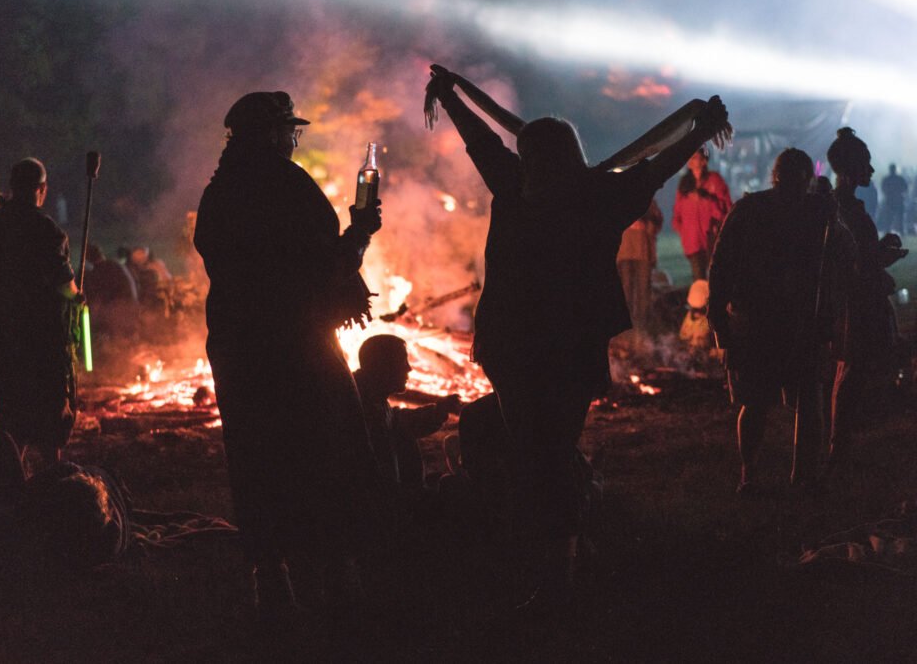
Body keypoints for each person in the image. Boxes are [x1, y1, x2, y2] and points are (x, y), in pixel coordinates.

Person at [424, 63, 730, 601]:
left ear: (529, 157)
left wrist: (449, 95)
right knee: (554, 448)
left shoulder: (514, 190)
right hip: (570, 346)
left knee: (533, 450)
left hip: (515, 346)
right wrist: (701, 131)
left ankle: (540, 559)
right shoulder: (600, 197)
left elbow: (480, 140)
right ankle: (557, 558)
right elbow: (657, 167)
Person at [194, 90, 383, 618]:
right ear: (273, 135)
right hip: (299, 346)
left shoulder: (219, 194)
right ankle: (335, 576)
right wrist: (362, 233)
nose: (293, 142)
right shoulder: (289, 188)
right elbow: (324, 269)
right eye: (289, 132)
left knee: (255, 458)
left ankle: (271, 576)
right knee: (329, 451)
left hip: (238, 348)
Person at [708, 149, 852, 494]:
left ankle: (797, 475)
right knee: (757, 402)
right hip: (759, 320)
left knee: (806, 399)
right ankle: (751, 472)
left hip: (799, 319)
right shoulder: (751, 210)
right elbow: (722, 263)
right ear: (779, 177)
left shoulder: (818, 212)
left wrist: (834, 213)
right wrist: (718, 318)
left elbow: (843, 254)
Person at [0, 158, 82, 464]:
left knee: (11, 409)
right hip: (42, 338)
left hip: (2, 332)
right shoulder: (46, 230)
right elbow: (65, 285)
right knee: (50, 412)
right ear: (42, 189)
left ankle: (8, 481)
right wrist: (78, 297)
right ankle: (52, 483)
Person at [825, 128, 908, 478]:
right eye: (865, 164)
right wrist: (881, 257)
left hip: (855, 298)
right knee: (850, 372)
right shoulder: (841, 207)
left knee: (851, 372)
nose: (871, 171)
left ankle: (840, 446)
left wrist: (879, 248)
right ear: (849, 169)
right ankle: (837, 451)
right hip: (854, 301)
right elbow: (850, 260)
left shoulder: (843, 205)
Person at [353, 335, 461, 492]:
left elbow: (397, 419)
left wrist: (437, 411)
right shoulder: (364, 409)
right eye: (403, 361)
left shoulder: (373, 399)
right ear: (383, 366)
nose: (409, 368)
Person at [672, 147, 731, 280]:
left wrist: (706, 200)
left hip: (712, 237)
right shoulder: (684, 183)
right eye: (690, 158)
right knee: (699, 279)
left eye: (695, 157)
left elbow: (726, 207)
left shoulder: (714, 180)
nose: (691, 161)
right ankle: (701, 301)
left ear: (704, 161)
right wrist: (684, 231)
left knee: (715, 276)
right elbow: (678, 212)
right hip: (692, 240)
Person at [616, 198, 663, 337]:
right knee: (626, 290)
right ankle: (625, 328)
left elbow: (657, 221)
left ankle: (642, 328)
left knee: (643, 291)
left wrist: (646, 225)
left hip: (644, 252)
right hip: (624, 251)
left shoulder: (648, 200)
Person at [83, 243, 139, 346]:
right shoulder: (115, 264)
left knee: (117, 343)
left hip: (121, 313)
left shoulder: (100, 271)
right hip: (132, 308)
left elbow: (99, 299)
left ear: (88, 259)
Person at [878, 163, 908, 234]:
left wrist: (889, 194)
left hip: (891, 200)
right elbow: (905, 188)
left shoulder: (887, 179)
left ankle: (891, 230)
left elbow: (883, 188)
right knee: (893, 217)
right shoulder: (899, 179)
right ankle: (896, 230)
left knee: (892, 217)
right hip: (896, 200)